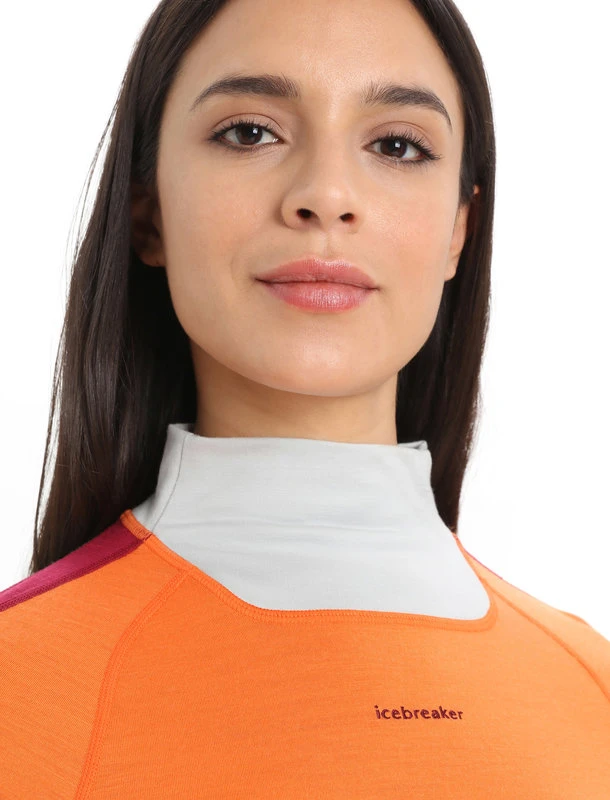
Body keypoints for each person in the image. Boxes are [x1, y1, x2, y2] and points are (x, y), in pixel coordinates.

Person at [1, 0, 609, 796]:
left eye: (397, 145)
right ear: (147, 213)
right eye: (250, 132)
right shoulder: (20, 684)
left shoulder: (592, 690)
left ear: (460, 230)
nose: (325, 195)